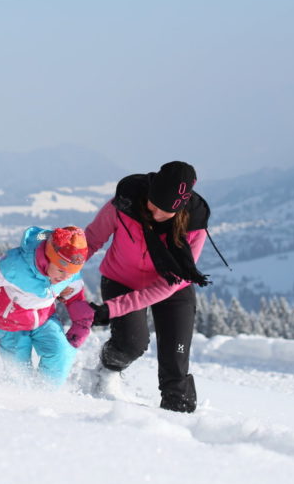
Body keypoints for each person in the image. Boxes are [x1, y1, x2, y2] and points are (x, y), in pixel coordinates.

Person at [84, 161, 212, 412]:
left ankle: (180, 418)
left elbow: (167, 286)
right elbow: (91, 240)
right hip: (121, 279)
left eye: (165, 211)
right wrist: (57, 269)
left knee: (176, 359)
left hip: (171, 285)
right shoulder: (125, 204)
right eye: (153, 204)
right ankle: (106, 372)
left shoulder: (194, 227)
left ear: (181, 206)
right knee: (131, 343)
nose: (155, 214)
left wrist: (111, 310)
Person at [0, 226, 95, 387]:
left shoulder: (68, 274)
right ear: (48, 257)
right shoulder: (15, 266)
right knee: (19, 376)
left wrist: (82, 325)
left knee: (61, 354)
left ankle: (46, 397)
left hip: (44, 319)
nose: (65, 276)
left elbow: (75, 298)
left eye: (71, 272)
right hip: (9, 325)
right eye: (60, 270)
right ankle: (21, 402)